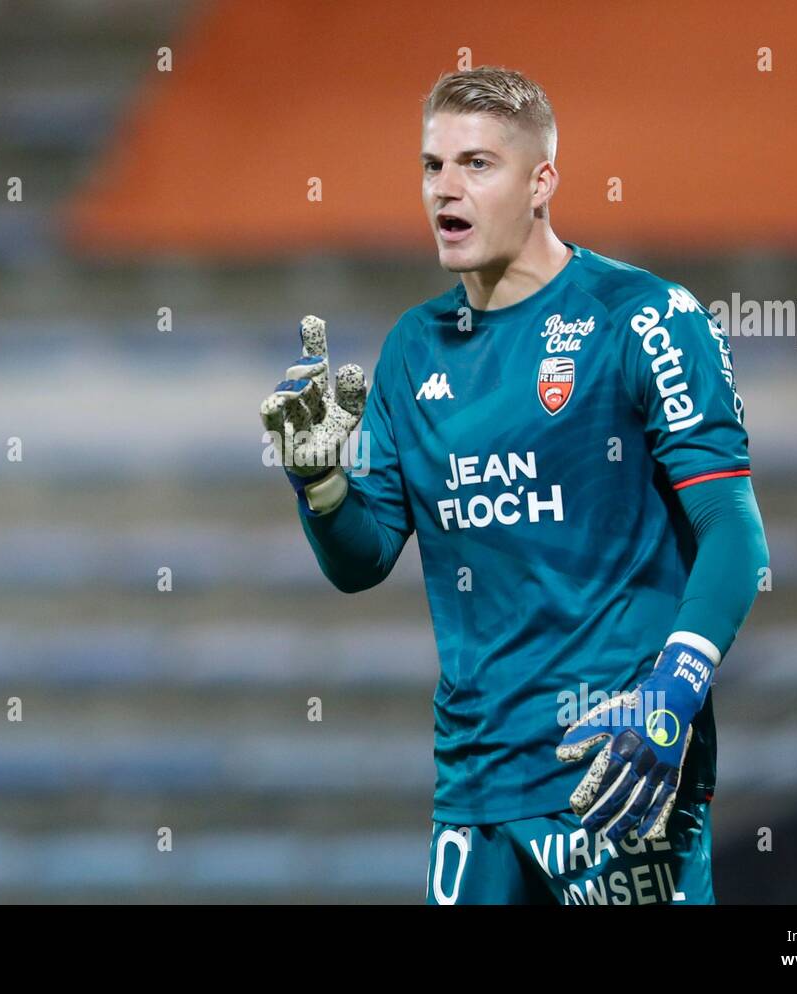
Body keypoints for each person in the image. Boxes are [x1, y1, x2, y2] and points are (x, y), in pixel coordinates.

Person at [259, 66, 769, 905]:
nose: (445, 189)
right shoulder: (413, 349)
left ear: (542, 182)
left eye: (476, 165)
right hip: (475, 788)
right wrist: (320, 487)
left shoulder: (643, 317)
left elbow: (734, 532)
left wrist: (671, 697)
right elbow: (364, 556)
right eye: (431, 166)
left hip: (615, 772)